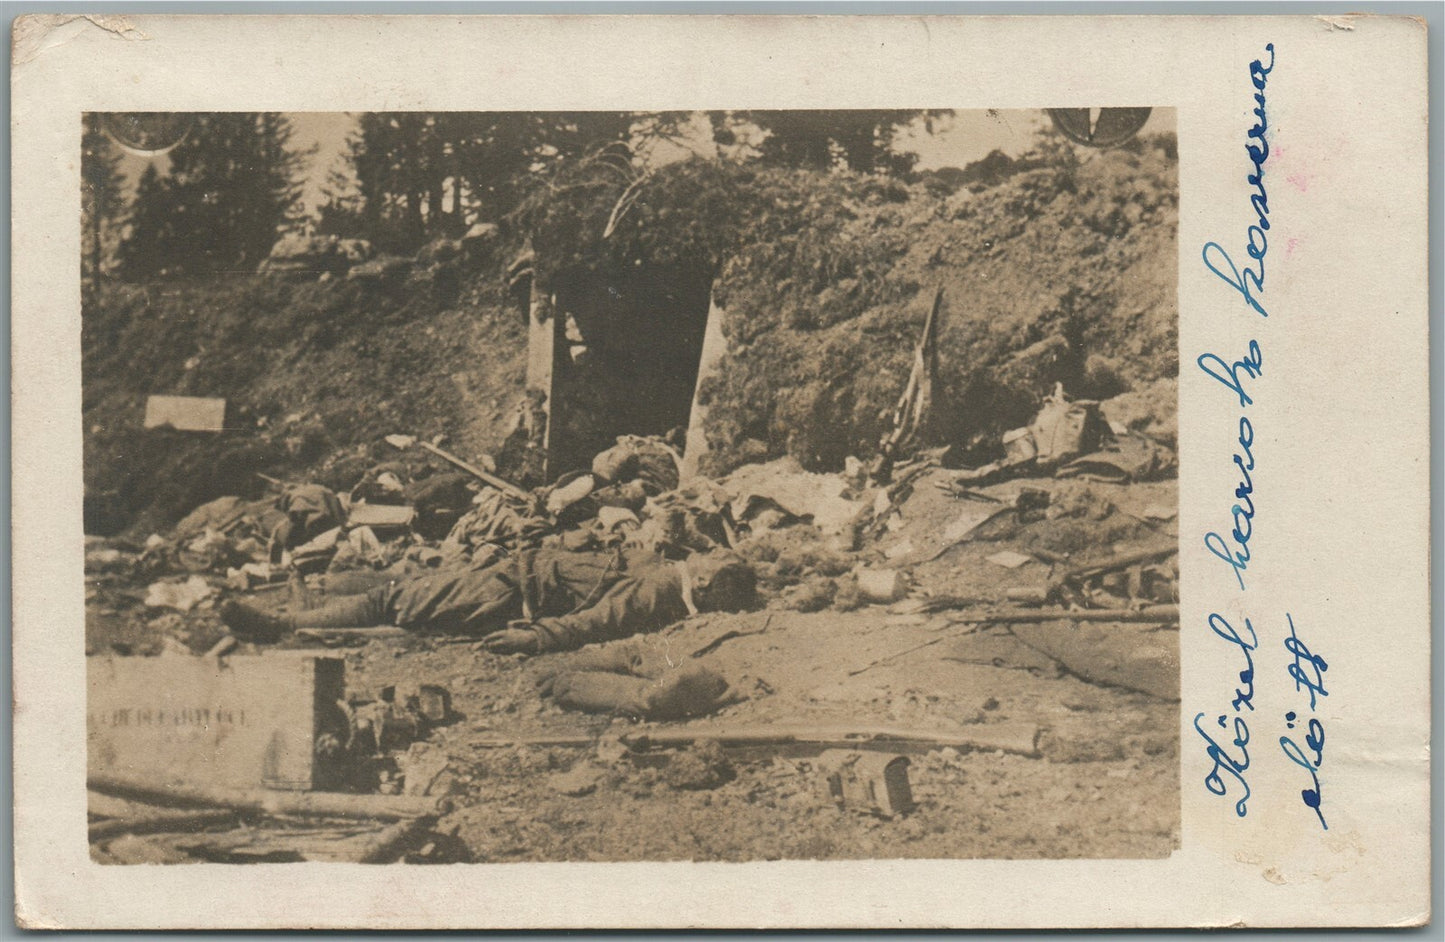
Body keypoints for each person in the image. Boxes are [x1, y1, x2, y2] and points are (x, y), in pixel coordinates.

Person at [219, 546, 755, 655]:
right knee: (398, 585)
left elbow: (597, 620)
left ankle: (281, 626)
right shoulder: (668, 575)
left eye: (709, 566)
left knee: (395, 602)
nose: (702, 559)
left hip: (508, 594)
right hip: (510, 575)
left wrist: (537, 636)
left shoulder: (660, 590)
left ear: (706, 588)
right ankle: (308, 602)